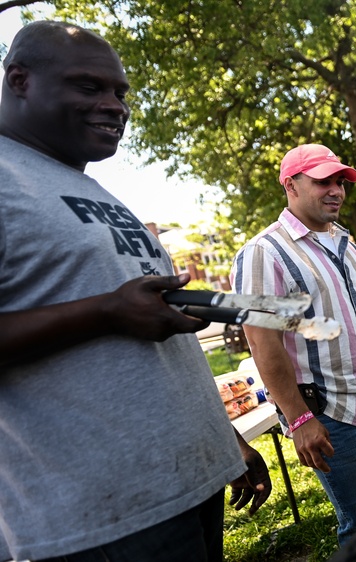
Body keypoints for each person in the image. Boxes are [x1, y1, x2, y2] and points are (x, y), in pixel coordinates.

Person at [0, 20, 271, 562]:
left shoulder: (84, 184)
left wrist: (224, 441)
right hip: (99, 522)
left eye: (121, 93)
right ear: (20, 80)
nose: (115, 106)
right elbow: (115, 312)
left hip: (187, 484)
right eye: (89, 86)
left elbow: (152, 339)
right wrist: (106, 312)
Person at [231, 143, 356, 547]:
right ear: (291, 185)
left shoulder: (346, 241)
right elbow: (262, 339)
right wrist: (299, 419)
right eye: (323, 181)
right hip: (332, 413)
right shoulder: (264, 252)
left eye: (340, 181)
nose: (336, 190)